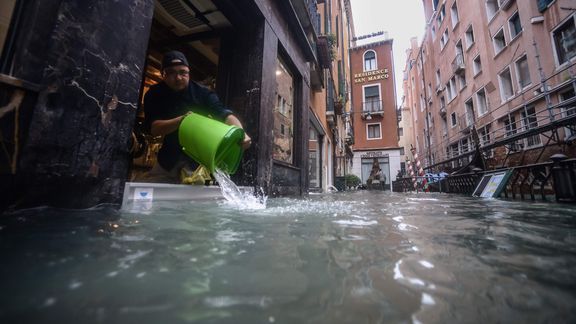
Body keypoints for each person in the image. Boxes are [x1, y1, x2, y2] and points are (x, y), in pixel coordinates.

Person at [143, 50, 251, 182]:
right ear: (162, 75)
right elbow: (154, 129)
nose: (178, 78)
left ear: (189, 73)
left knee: (194, 196)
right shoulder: (154, 94)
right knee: (149, 191)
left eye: (183, 72)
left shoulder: (203, 93)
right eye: (171, 72)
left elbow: (224, 114)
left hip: (199, 157)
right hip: (168, 157)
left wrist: (241, 132)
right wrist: (182, 120)